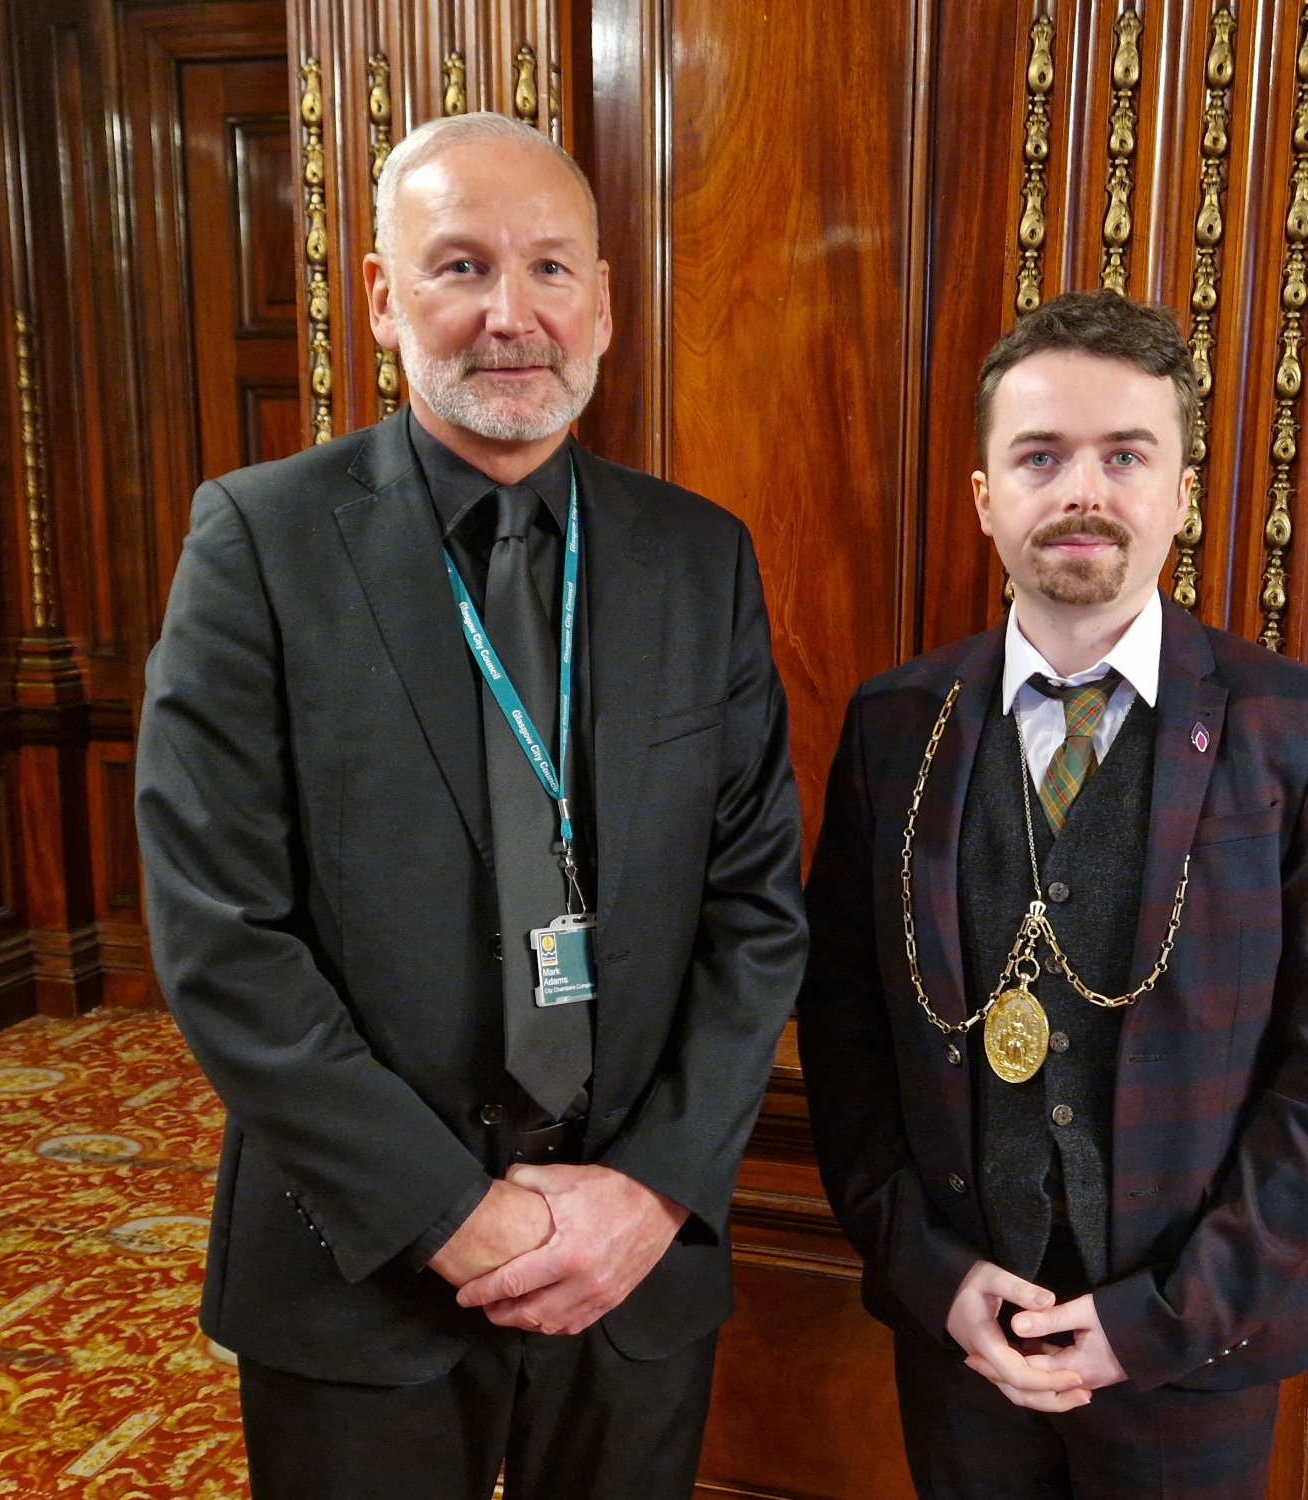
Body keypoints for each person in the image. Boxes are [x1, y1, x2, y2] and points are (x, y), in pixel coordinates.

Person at [135, 112, 806, 1500]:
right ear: (384, 301)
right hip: (359, 1261)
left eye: (550, 268)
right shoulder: (257, 542)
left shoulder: (702, 558)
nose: (512, 313)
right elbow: (220, 935)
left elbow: (754, 912)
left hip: (630, 1260)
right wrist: (444, 1212)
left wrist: (654, 1190)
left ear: (601, 305)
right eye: (460, 266)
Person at [796, 291, 1308, 1499]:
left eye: (1125, 456)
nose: (1082, 492)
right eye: (1039, 457)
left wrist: (1166, 1315)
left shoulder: (1297, 729)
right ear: (985, 498)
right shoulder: (893, 723)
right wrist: (931, 1275)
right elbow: (845, 1028)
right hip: (965, 1334)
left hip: (1191, 1347)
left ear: (1179, 493)